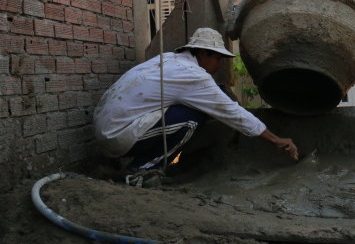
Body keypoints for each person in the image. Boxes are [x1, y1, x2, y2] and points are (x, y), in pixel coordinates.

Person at [93, 28, 299, 178]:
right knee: (192, 118)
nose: (219, 65)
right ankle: (141, 170)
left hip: (106, 130)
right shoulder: (193, 75)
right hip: (117, 136)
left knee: (185, 112)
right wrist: (275, 139)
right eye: (217, 59)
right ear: (202, 53)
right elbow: (232, 112)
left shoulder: (167, 59)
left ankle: (136, 163)